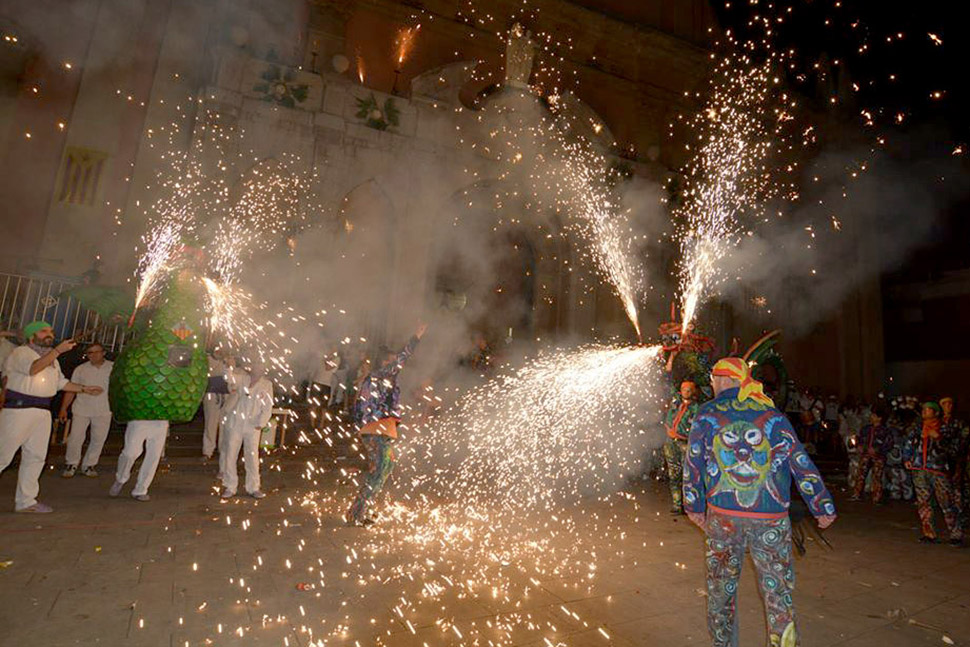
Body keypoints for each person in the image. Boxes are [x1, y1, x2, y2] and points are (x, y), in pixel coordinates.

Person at [683, 357, 836, 647]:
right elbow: (799, 461)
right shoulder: (772, 414)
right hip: (771, 519)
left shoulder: (706, 413)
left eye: (713, 378)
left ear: (724, 379)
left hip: (723, 516)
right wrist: (822, 505)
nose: (711, 383)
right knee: (778, 593)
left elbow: (693, 463)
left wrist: (693, 505)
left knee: (721, 590)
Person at [0, 321, 103, 513]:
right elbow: (33, 369)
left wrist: (84, 389)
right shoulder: (21, 353)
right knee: (3, 455)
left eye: (51, 331)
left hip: (42, 412)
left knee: (36, 457)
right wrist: (57, 351)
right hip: (19, 411)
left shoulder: (52, 360)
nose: (49, 334)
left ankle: (26, 501)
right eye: (43, 331)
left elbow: (60, 383)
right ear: (31, 336)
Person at [346, 324, 426, 527]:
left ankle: (363, 509)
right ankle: (357, 512)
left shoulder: (380, 378)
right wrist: (416, 337)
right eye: (392, 361)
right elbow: (402, 358)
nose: (397, 365)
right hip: (376, 430)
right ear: (385, 362)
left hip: (381, 430)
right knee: (380, 468)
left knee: (385, 467)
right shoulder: (381, 375)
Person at [904, 402, 962, 545]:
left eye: (928, 410)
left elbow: (954, 450)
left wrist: (938, 438)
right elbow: (908, 443)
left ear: (935, 412)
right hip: (919, 469)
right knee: (923, 503)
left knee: (946, 502)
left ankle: (955, 534)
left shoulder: (945, 428)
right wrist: (907, 458)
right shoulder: (917, 428)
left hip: (938, 470)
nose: (924, 412)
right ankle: (929, 533)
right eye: (923, 409)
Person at [220, 357, 274, 499]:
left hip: (253, 426)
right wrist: (229, 366)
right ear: (252, 367)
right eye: (256, 365)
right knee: (231, 454)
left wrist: (260, 423)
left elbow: (268, 407)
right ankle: (230, 486)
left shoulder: (267, 384)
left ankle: (253, 487)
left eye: (261, 366)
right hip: (236, 423)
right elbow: (228, 379)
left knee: (252, 456)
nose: (259, 369)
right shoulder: (242, 379)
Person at [59, 343, 113, 477]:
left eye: (97, 352)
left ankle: (89, 464)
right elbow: (71, 389)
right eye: (90, 353)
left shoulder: (113, 367)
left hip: (104, 409)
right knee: (75, 437)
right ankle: (71, 463)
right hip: (81, 408)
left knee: (98, 438)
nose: (94, 355)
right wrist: (64, 408)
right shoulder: (80, 369)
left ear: (103, 353)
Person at [662, 380, 699, 514]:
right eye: (684, 389)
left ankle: (688, 505)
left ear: (693, 391)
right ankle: (677, 505)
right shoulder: (675, 402)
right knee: (673, 475)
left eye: (689, 389)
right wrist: (671, 359)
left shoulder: (696, 408)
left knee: (686, 476)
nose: (686, 391)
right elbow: (668, 381)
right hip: (671, 442)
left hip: (684, 444)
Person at [849, 405, 892, 503]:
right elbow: (859, 439)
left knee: (877, 477)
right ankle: (857, 494)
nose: (871, 417)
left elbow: (888, 444)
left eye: (873, 415)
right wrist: (858, 445)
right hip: (865, 455)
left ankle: (876, 497)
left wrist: (878, 450)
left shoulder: (885, 431)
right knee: (860, 474)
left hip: (878, 457)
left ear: (879, 418)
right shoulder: (866, 429)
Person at [940, 397, 970, 524]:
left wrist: (952, 449)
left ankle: (960, 514)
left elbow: (964, 439)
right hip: (940, 460)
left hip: (956, 459)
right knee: (944, 488)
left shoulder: (959, 422)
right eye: (945, 404)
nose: (948, 406)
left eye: (950, 404)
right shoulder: (938, 422)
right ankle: (948, 514)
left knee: (957, 488)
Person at [202, 348, 229, 461]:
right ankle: (208, 451)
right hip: (211, 394)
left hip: (226, 395)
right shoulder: (207, 359)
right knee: (211, 423)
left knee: (225, 424)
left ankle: (223, 449)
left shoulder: (228, 360)